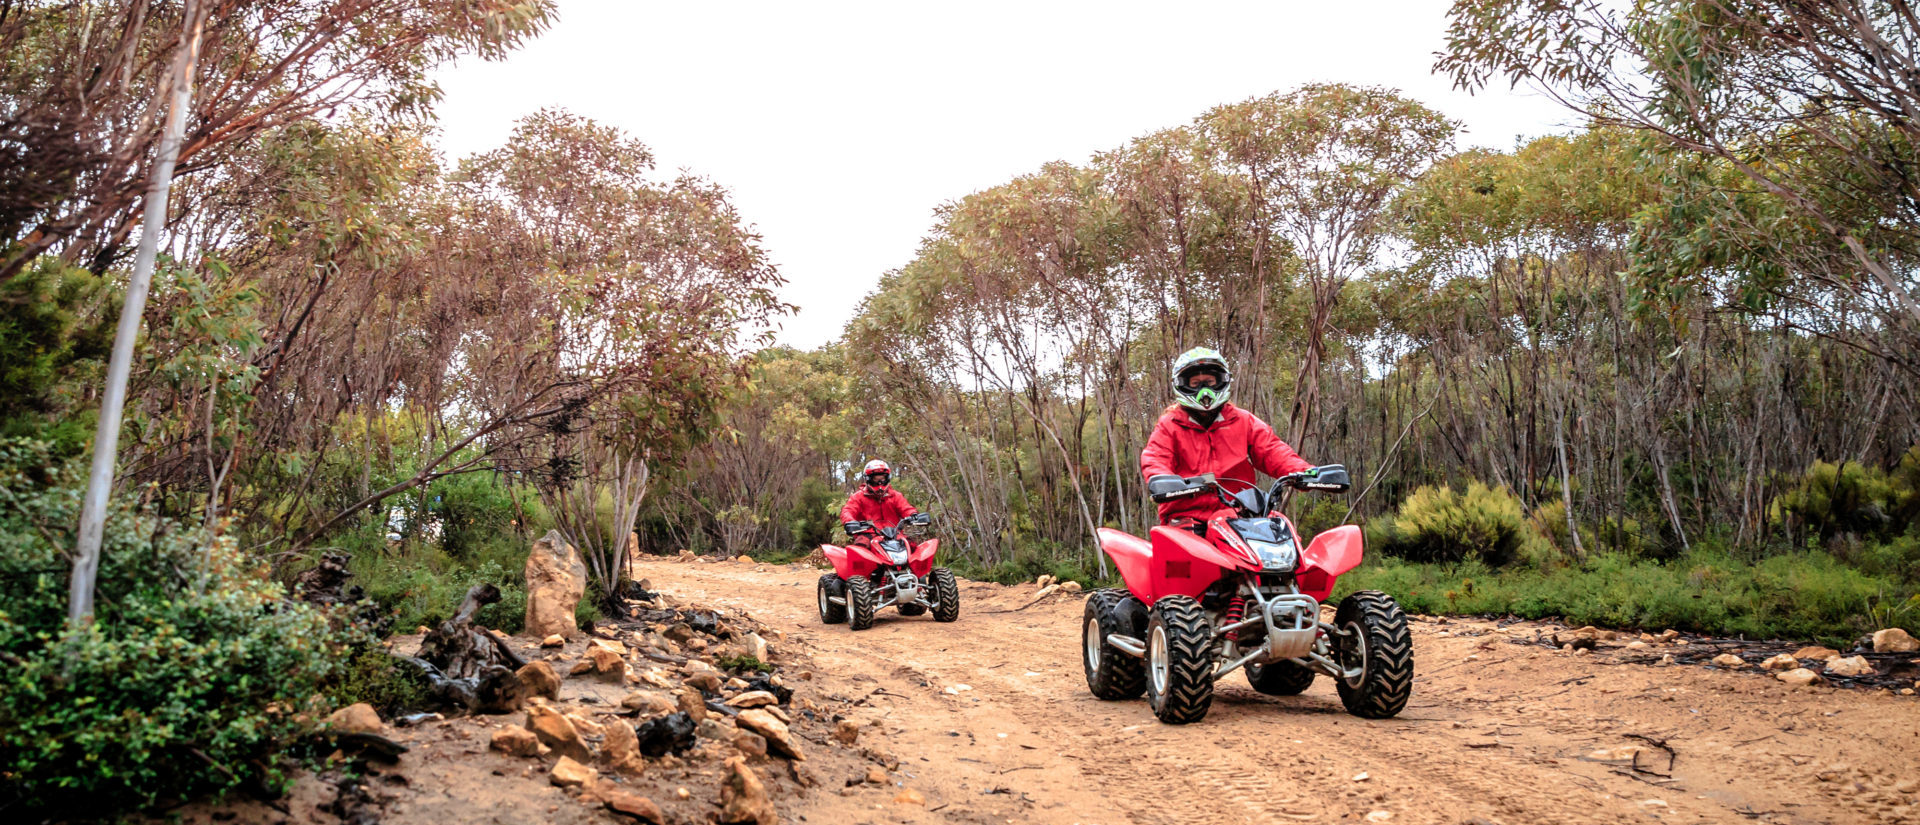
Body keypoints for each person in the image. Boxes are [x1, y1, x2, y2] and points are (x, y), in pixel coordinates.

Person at [1140, 347, 1313, 531]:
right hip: (1189, 517)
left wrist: (1306, 472)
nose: (1204, 390)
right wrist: (1162, 481)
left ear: (1221, 381)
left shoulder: (1242, 420)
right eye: (1196, 383)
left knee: (1281, 544)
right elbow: (1155, 457)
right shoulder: (1170, 425)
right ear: (1183, 385)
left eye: (1209, 382)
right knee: (1183, 554)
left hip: (1240, 516)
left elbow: (1272, 450)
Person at [840, 459, 918, 548]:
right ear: (868, 479)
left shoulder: (895, 496)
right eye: (875, 479)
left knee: (912, 547)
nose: (880, 483)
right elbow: (847, 511)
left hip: (894, 534)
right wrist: (851, 522)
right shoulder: (858, 497)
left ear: (887, 478)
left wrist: (913, 515)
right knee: (860, 549)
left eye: (882, 479)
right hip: (869, 534)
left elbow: (906, 508)